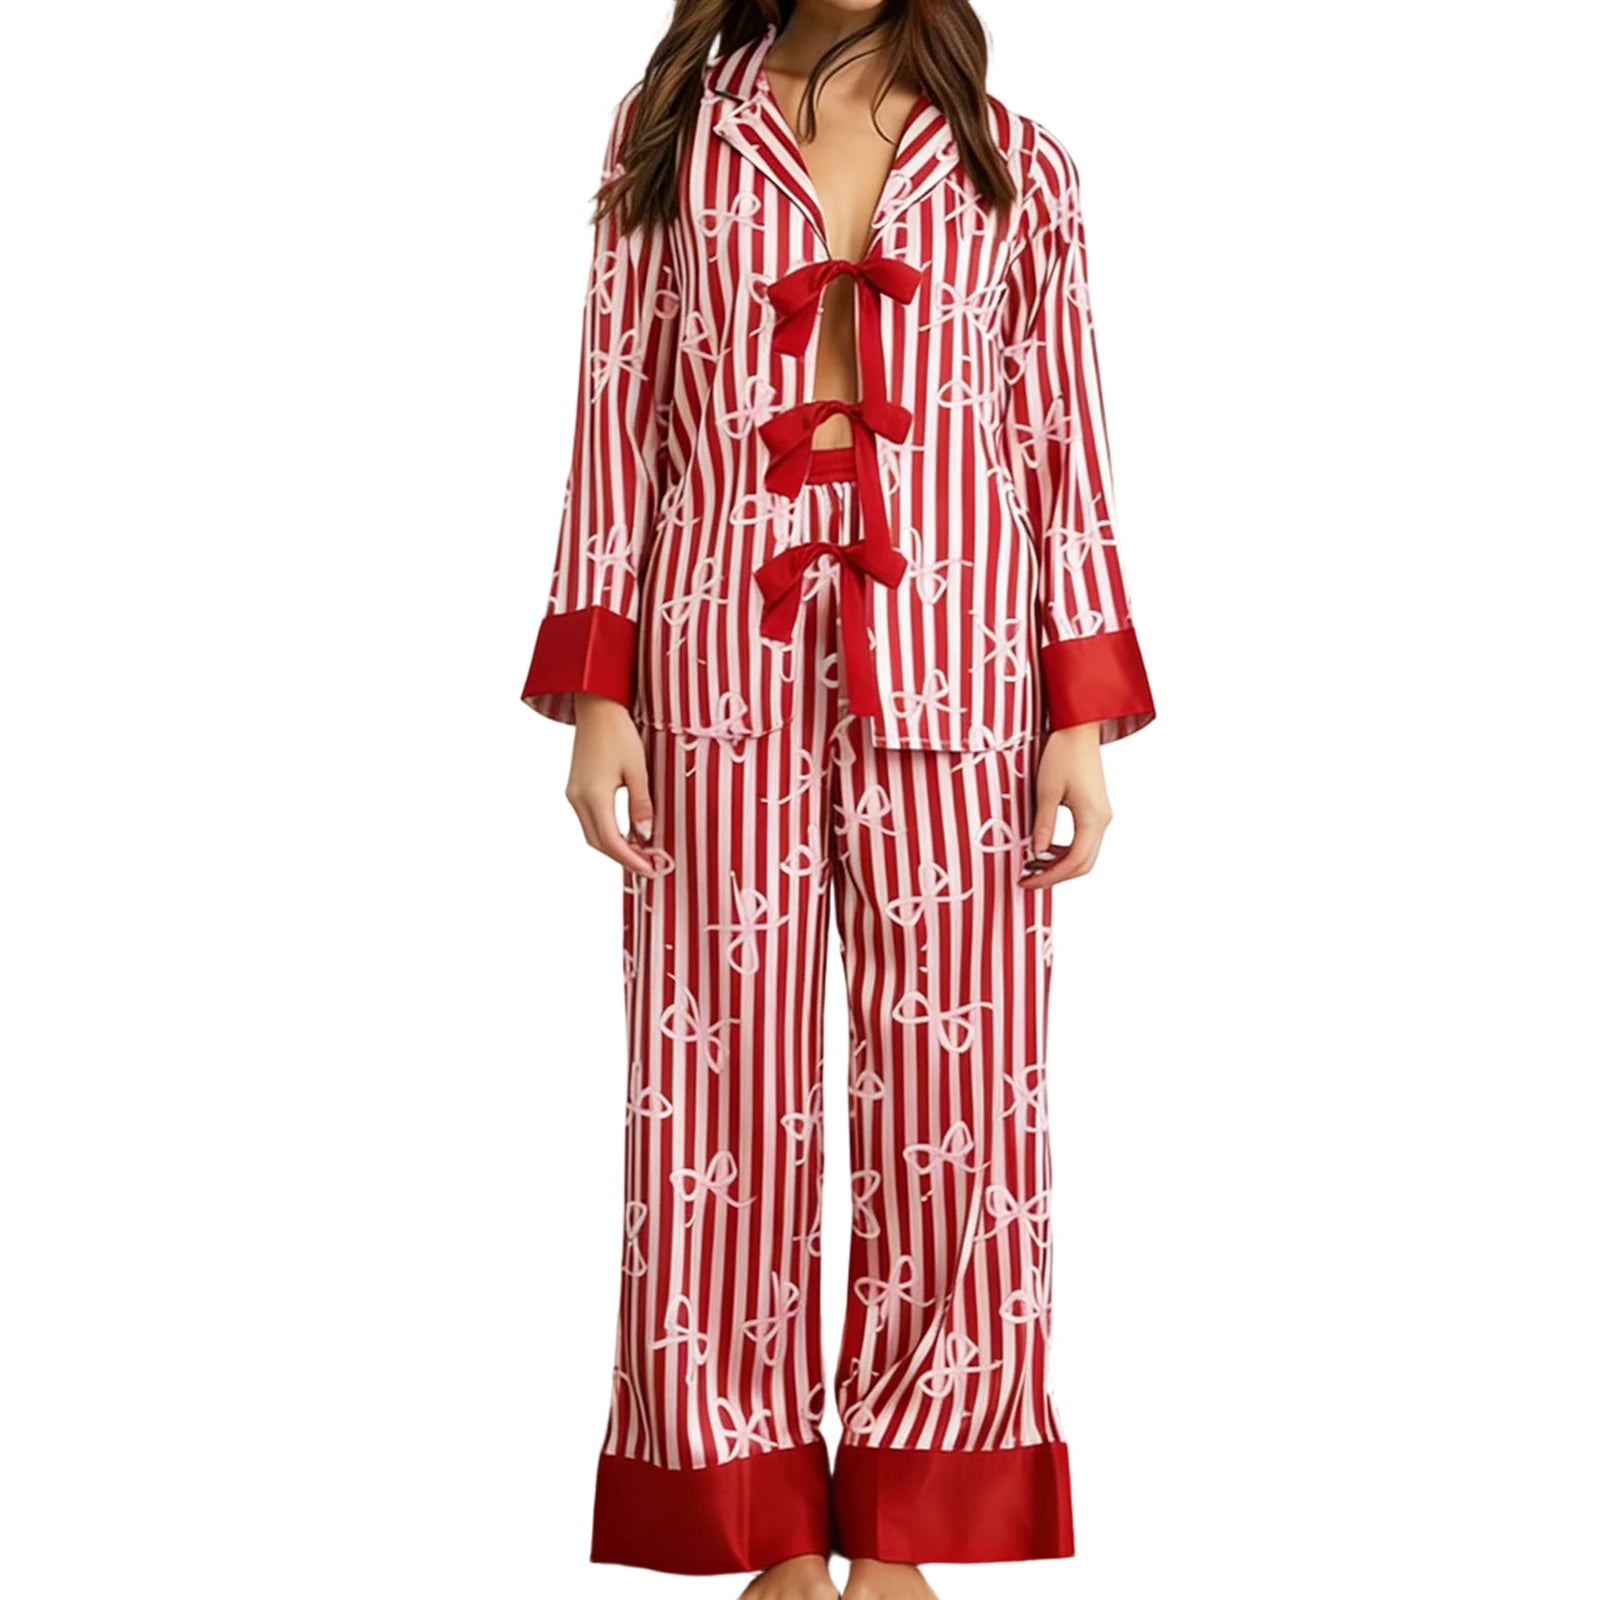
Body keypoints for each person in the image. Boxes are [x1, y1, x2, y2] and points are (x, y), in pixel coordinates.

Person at [518, 2, 1156, 1595]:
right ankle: (756, 1520)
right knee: (709, 1084)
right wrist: (600, 687)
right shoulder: (672, 138)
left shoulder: (1018, 166)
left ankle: (910, 1522)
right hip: (713, 661)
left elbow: (1059, 439)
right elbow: (618, 412)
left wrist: (1079, 712)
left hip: (962, 670)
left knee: (965, 1098)